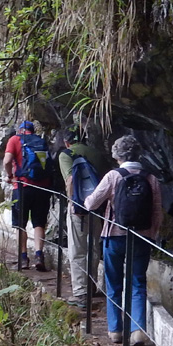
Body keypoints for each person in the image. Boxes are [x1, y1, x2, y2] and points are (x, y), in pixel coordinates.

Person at [85, 135, 162, 346]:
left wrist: (85, 199)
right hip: (142, 237)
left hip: (114, 236)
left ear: (117, 155)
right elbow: (157, 212)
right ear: (138, 153)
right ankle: (137, 330)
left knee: (114, 282)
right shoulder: (151, 178)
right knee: (138, 281)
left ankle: (116, 329)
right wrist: (151, 235)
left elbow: (92, 204)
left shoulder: (113, 176)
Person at [58, 129, 110, 308]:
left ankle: (80, 293)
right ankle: (92, 285)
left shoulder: (66, 155)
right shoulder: (96, 153)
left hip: (79, 208)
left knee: (77, 248)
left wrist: (74, 203)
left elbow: (71, 179)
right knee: (94, 246)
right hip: (96, 207)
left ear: (67, 142)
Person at [3, 120, 52, 272]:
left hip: (22, 187)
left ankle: (23, 258)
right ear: (32, 130)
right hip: (42, 187)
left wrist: (9, 175)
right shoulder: (41, 141)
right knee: (39, 223)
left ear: (20, 130)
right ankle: (39, 255)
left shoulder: (15, 139)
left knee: (20, 224)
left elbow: (7, 161)